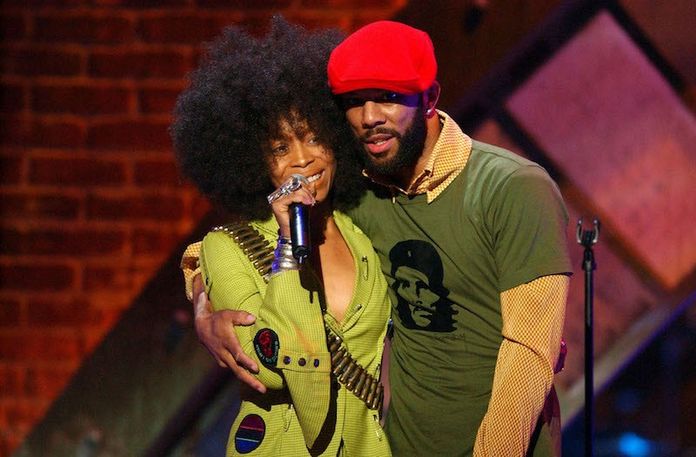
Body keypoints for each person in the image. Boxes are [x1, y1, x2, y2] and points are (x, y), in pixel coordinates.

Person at [184, 20, 572, 457]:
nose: (369, 117)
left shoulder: (512, 187)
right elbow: (237, 244)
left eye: (388, 97)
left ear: (430, 98)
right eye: (354, 102)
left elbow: (530, 351)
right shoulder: (365, 196)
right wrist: (203, 299)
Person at [171, 17, 391, 456]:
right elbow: (269, 369)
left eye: (313, 137)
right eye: (280, 148)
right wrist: (290, 244)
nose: (302, 159)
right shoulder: (229, 248)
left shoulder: (363, 228)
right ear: (256, 165)